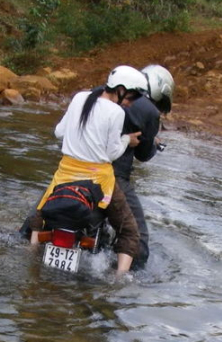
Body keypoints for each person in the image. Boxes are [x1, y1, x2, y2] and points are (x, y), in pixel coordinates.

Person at [24, 65, 147, 275]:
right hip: (98, 180)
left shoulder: (80, 97)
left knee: (39, 216)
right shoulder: (116, 112)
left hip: (65, 174)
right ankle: (119, 280)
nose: (130, 103)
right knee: (129, 230)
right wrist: (127, 140)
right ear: (120, 89)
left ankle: (30, 257)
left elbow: (58, 132)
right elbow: (110, 154)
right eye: (131, 97)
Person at [113, 64, 175, 269]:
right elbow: (142, 154)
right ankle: (132, 280)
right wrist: (153, 145)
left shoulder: (101, 93)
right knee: (138, 237)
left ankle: (27, 235)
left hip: (77, 167)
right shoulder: (149, 110)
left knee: (45, 209)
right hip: (114, 176)